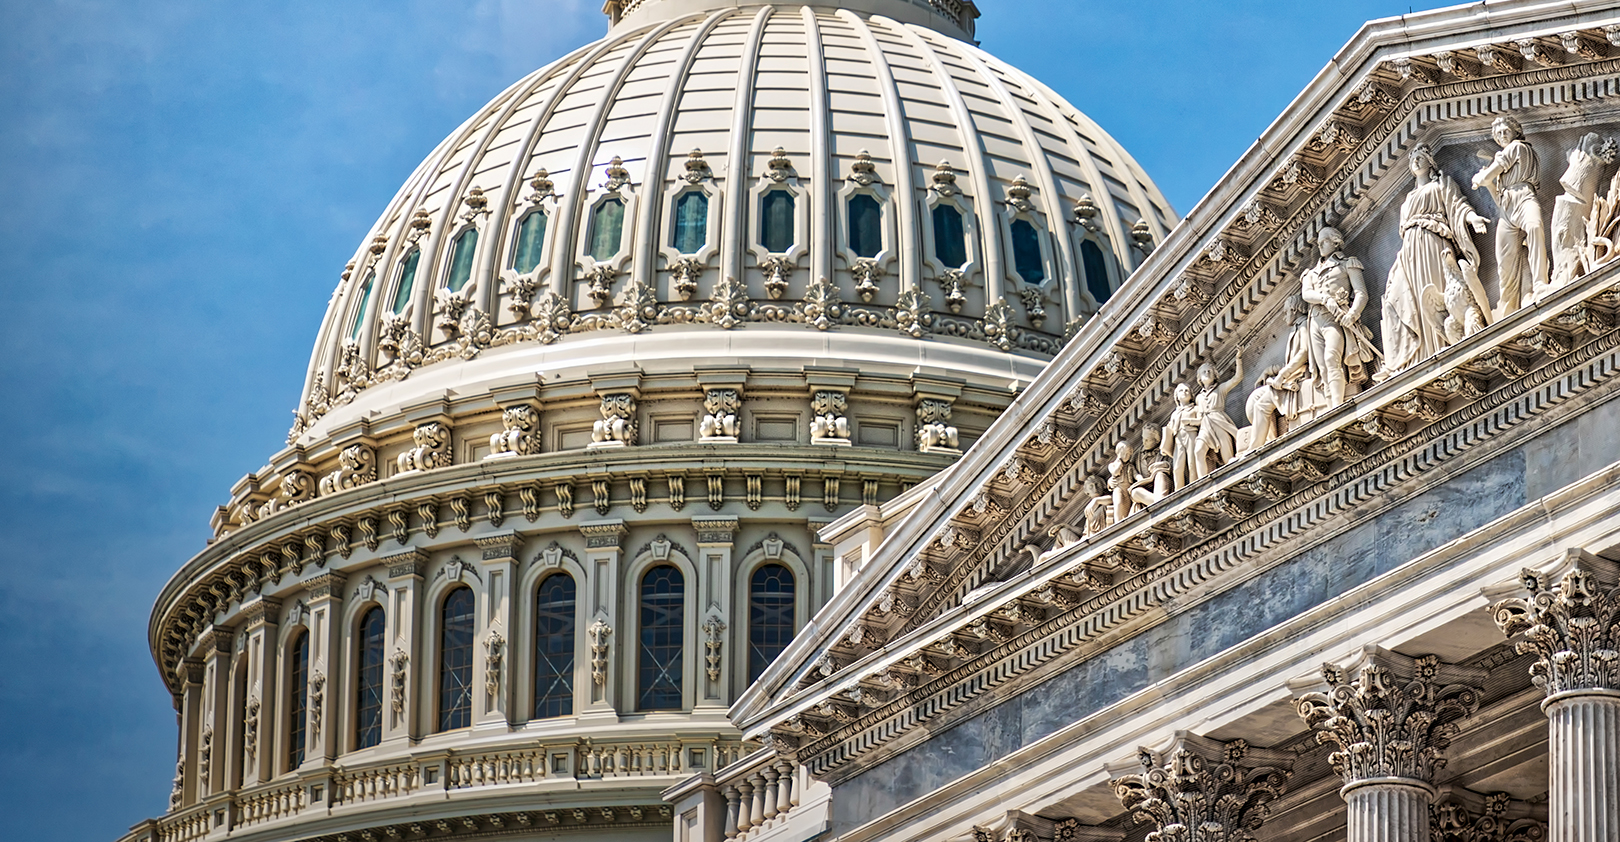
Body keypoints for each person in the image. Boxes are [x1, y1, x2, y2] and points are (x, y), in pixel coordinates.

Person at [1382, 144, 1490, 376]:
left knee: (1437, 287)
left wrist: (1472, 218)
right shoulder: (1408, 198)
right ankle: (1422, 352)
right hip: (1411, 250)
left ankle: (1442, 344)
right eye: (1413, 159)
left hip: (1434, 242)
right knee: (1403, 296)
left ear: (1430, 162)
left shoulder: (1441, 184)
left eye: (1421, 157)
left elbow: (1458, 205)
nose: (1416, 161)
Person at [1297, 227, 1381, 406]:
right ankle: (1330, 405)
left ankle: (1337, 405)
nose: (1320, 245)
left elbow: (1361, 293)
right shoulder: (1310, 273)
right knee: (1322, 367)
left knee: (1331, 358)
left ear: (1336, 242)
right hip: (1316, 321)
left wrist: (1352, 314)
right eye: (1318, 243)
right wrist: (1325, 298)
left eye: (1324, 241)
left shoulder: (1348, 264)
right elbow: (1307, 294)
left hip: (1335, 320)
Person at [1472, 115, 1547, 315]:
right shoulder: (1504, 162)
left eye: (1505, 131)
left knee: (1534, 228)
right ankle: (1509, 305)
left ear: (1516, 132)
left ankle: (1540, 283)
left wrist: (1482, 177)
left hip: (1524, 196)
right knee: (1504, 258)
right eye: (1498, 134)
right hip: (1507, 207)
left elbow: (1489, 174)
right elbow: (1498, 198)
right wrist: (1487, 183)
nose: (1502, 136)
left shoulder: (1518, 147)